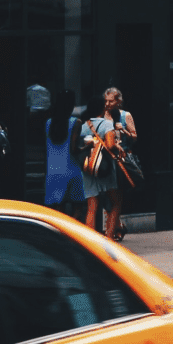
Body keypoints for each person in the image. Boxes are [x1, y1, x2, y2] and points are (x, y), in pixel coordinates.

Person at [78, 95, 124, 241]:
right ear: (102, 109)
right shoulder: (106, 124)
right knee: (116, 202)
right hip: (105, 168)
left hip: (88, 167)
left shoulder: (83, 125)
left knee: (92, 206)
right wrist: (117, 145)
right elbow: (110, 145)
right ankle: (109, 239)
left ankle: (90, 243)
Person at [42, 88, 85, 221]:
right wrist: (87, 146)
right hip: (71, 169)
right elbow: (73, 149)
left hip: (53, 170)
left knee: (58, 209)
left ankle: (60, 232)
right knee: (78, 206)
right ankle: (70, 231)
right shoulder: (75, 122)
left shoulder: (49, 123)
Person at [102, 87, 136, 240]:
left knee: (116, 196)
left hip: (121, 160)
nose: (108, 104)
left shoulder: (125, 115)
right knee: (107, 195)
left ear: (118, 101)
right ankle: (117, 226)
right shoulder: (102, 115)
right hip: (105, 160)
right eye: (106, 101)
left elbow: (134, 137)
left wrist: (124, 132)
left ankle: (114, 227)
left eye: (111, 101)